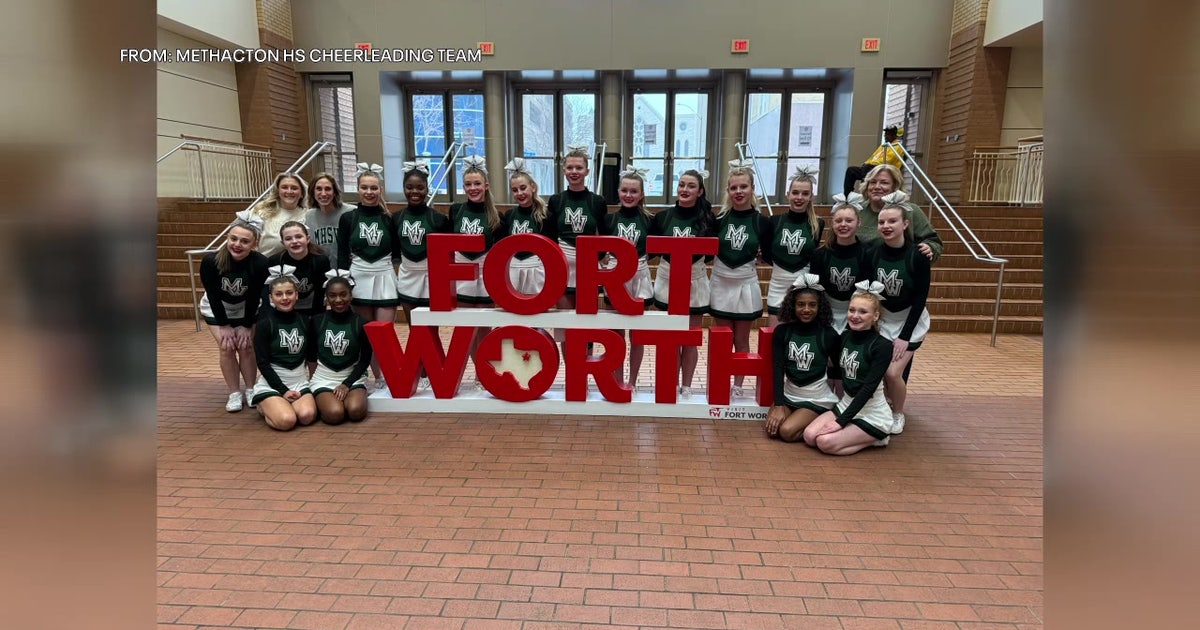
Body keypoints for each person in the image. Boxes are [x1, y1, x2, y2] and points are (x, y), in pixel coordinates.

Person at [801, 281, 900, 454]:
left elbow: (868, 387)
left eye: (863, 312)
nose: (855, 316)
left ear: (875, 316)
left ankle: (878, 436)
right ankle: (856, 433)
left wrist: (841, 422)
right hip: (846, 404)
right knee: (809, 436)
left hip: (872, 413)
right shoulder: (845, 337)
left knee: (824, 442)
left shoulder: (882, 346)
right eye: (852, 310)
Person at [867, 191, 932, 434]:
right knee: (880, 369)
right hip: (884, 319)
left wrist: (905, 336)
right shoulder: (873, 253)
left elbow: (920, 298)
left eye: (892, 221)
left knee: (893, 373)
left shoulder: (918, 255)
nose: (886, 226)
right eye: (882, 222)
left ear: (905, 224)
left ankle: (898, 413)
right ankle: (885, 406)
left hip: (910, 321)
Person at [709, 160, 772, 399]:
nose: (738, 191)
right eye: (733, 187)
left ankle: (738, 384)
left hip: (745, 282)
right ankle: (720, 380)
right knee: (722, 338)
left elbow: (768, 254)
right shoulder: (719, 220)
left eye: (743, 186)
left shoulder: (761, 221)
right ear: (728, 190)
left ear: (752, 189)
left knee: (742, 339)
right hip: (721, 281)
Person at [651, 169, 716, 398]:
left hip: (695, 280)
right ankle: (668, 383)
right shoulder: (662, 217)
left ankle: (686, 386)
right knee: (670, 338)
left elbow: (709, 254)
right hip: (667, 279)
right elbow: (651, 250)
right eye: (681, 184)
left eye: (691, 186)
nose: (685, 189)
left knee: (690, 338)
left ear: (700, 191)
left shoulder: (708, 218)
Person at [199, 211, 271, 412]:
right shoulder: (211, 261)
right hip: (217, 308)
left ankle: (251, 389)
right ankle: (234, 393)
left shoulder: (260, 263)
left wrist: (246, 326)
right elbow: (213, 295)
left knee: (246, 346)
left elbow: (254, 295)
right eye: (233, 239)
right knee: (227, 346)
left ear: (254, 244)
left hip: (246, 307)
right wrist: (224, 325)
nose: (237, 244)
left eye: (245, 241)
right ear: (227, 238)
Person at [336, 163, 398, 388]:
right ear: (358, 189)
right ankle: (377, 377)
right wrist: (343, 282)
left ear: (380, 189)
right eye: (364, 188)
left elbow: (397, 253)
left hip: (384, 276)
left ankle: (390, 375)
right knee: (366, 332)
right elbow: (342, 254)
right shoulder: (348, 218)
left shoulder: (390, 218)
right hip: (359, 276)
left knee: (385, 333)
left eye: (373, 188)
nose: (369, 192)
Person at [764, 274, 841, 442]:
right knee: (772, 431)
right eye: (801, 304)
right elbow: (778, 369)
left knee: (786, 432)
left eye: (812, 305)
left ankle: (821, 416)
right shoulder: (782, 332)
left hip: (815, 398)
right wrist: (778, 405)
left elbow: (839, 368)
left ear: (820, 307)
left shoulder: (828, 334)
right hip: (789, 394)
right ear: (792, 305)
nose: (806, 309)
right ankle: (800, 419)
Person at [450, 155, 505, 384]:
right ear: (463, 187)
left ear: (486, 185)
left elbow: (501, 252)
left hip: (485, 272)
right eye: (468, 184)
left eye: (477, 184)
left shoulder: (496, 216)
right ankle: (478, 372)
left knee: (483, 328)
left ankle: (483, 373)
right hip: (462, 271)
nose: (473, 188)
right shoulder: (455, 210)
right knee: (466, 328)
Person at [548, 145, 608, 348]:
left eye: (579, 168)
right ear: (564, 170)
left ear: (587, 171)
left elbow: (603, 235)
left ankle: (584, 364)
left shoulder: (597, 201)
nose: (574, 172)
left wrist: (595, 258)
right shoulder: (556, 201)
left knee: (586, 324)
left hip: (588, 268)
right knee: (565, 324)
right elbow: (550, 236)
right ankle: (570, 367)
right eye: (570, 168)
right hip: (563, 267)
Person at [392, 161, 450, 366]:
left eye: (419, 187)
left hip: (431, 278)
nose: (414, 192)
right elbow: (395, 250)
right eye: (409, 187)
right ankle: (423, 373)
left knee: (431, 330)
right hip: (408, 277)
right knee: (415, 329)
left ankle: (436, 371)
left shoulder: (438, 219)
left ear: (427, 189)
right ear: (404, 188)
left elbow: (447, 253)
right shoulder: (396, 218)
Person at [601, 167, 655, 389]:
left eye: (634, 191)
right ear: (618, 192)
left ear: (641, 194)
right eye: (624, 190)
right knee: (616, 335)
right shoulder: (609, 219)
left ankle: (632, 381)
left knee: (638, 335)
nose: (629, 195)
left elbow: (655, 248)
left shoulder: (650, 220)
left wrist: (642, 260)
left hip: (640, 275)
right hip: (616, 277)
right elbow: (600, 247)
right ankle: (617, 381)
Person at [249, 273, 317, 430]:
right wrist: (283, 390)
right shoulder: (265, 324)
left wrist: (313, 382)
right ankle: (264, 405)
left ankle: (281, 406)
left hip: (299, 382)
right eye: (279, 294)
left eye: (289, 293)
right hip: (273, 384)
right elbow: (262, 362)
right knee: (287, 421)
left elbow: (311, 356)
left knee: (306, 416)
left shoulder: (305, 321)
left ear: (296, 295)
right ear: (271, 298)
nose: (285, 298)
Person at [308, 271, 372, 424]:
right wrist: (311, 379)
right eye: (332, 295)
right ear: (327, 297)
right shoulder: (317, 321)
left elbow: (365, 360)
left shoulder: (361, 323)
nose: (338, 300)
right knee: (335, 414)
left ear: (351, 295)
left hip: (352, 378)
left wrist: (347, 384)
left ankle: (344, 399)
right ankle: (322, 403)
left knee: (356, 411)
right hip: (324, 378)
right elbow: (311, 355)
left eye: (343, 294)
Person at [766, 165, 825, 327]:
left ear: (811, 196)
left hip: (802, 286)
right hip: (777, 284)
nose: (799, 197)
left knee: (798, 335)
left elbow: (812, 256)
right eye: (795, 192)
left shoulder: (817, 224)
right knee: (776, 335)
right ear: (788, 194)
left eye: (805, 193)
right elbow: (768, 254)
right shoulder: (775, 221)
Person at [810, 193, 873, 333]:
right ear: (832, 224)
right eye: (838, 221)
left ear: (858, 222)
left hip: (856, 314)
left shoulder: (868, 253)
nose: (843, 224)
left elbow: (867, 292)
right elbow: (816, 290)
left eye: (849, 220)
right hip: (826, 313)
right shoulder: (820, 254)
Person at [855, 164, 942, 261]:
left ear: (895, 187)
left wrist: (930, 248)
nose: (877, 187)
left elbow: (933, 241)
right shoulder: (856, 210)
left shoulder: (910, 210)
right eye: (873, 182)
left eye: (884, 183)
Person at [503, 158, 557, 296]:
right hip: (513, 268)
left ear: (532, 187)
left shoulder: (546, 216)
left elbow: (552, 249)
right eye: (514, 190)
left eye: (523, 188)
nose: (519, 193)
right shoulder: (509, 215)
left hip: (537, 269)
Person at [266, 221, 330, 317]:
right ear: (283, 243)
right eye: (288, 239)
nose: (294, 241)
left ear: (308, 239)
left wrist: (316, 318)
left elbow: (320, 293)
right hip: (284, 308)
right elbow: (271, 292)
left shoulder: (320, 260)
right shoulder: (275, 262)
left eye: (299, 237)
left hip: (312, 307)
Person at [251, 172, 308, 257]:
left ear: (302, 193)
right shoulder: (261, 211)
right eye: (284, 187)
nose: (289, 191)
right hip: (264, 263)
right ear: (278, 191)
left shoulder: (308, 215)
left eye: (294, 188)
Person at [305, 172, 354, 266]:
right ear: (312, 192)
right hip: (321, 269)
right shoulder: (309, 215)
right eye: (319, 189)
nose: (323, 194)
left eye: (328, 189)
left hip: (347, 268)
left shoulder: (351, 212)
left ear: (335, 192)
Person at [843, 125, 905, 196]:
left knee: (867, 169)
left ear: (894, 135)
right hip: (873, 167)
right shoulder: (883, 146)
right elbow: (873, 156)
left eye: (888, 134)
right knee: (851, 170)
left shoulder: (897, 146)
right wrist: (866, 163)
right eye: (885, 134)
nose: (886, 136)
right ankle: (847, 196)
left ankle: (865, 195)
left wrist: (870, 164)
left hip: (886, 169)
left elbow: (888, 160)